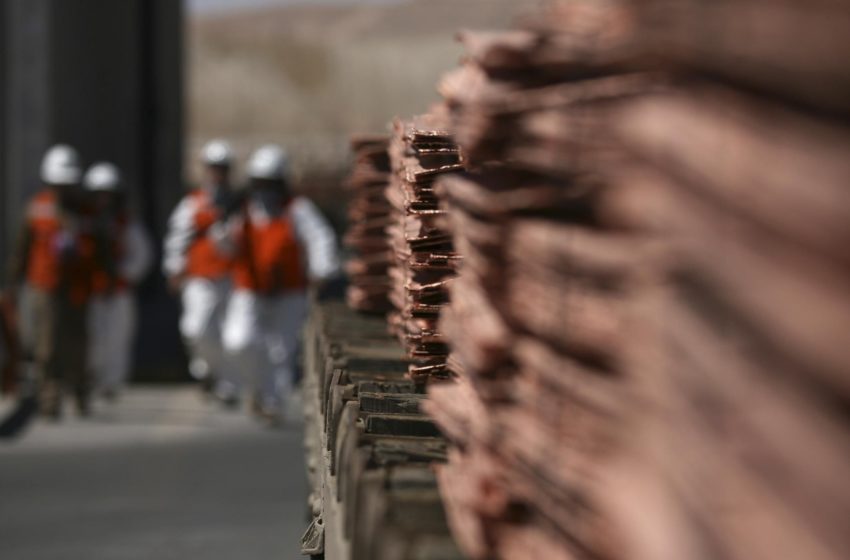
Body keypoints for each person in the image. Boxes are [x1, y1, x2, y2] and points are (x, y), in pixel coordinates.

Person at [219, 145, 339, 424]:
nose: (265, 190)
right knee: (238, 342)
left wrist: (323, 270)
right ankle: (257, 388)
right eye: (260, 183)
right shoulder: (243, 212)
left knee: (281, 350)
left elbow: (320, 238)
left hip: (289, 292)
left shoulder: (297, 210)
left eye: (270, 183)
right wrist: (224, 224)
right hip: (250, 290)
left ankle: (272, 402)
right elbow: (224, 248)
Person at [5, 145, 109, 418]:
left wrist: (103, 280)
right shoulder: (36, 209)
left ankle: (80, 392)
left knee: (78, 343)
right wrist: (13, 284)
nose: (64, 188)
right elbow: (21, 251)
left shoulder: (87, 213)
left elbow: (102, 251)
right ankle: (49, 399)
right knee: (46, 345)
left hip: (78, 287)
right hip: (45, 286)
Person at [162, 139, 238, 402]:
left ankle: (226, 384)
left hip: (232, 277)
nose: (218, 173)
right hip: (199, 277)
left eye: (223, 167)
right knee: (195, 329)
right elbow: (177, 237)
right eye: (214, 167)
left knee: (231, 333)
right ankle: (206, 370)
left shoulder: (241, 203)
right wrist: (174, 267)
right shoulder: (193, 203)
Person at [84, 162, 153, 400]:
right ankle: (92, 375)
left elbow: (142, 255)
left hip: (118, 290)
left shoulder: (126, 223)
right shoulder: (85, 222)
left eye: (108, 194)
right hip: (91, 289)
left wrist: (123, 274)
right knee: (93, 337)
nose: (104, 200)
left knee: (117, 338)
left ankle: (111, 383)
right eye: (99, 194)